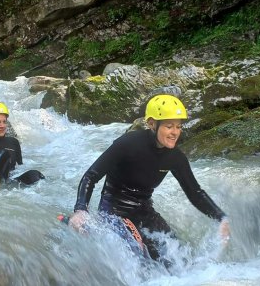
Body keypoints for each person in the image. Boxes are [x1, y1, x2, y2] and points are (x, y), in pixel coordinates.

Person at [68, 94, 230, 263]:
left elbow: (195, 192)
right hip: (114, 211)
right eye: (169, 126)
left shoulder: (175, 157)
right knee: (141, 258)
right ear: (152, 123)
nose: (175, 132)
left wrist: (221, 218)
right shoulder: (127, 144)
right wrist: (81, 210)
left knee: (177, 257)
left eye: (178, 126)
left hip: (144, 211)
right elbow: (91, 176)